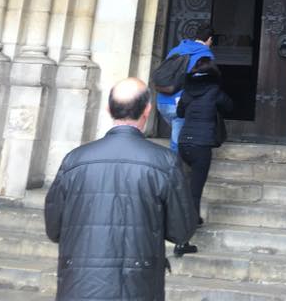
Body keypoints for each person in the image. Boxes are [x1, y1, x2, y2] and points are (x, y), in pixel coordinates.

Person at [44, 77, 197, 301]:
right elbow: (181, 231)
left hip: (79, 286)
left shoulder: (74, 160)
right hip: (137, 286)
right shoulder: (165, 162)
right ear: (147, 110)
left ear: (108, 109)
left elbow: (54, 228)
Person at [173, 56, 233, 256]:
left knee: (186, 187)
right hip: (201, 145)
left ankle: (194, 217)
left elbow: (180, 113)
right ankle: (183, 241)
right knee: (194, 192)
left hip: (184, 143)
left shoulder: (187, 90)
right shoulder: (214, 91)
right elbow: (229, 106)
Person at [157, 22, 215, 151]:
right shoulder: (206, 54)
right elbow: (202, 85)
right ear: (210, 39)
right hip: (181, 105)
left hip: (163, 101)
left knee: (179, 134)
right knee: (178, 143)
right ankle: (175, 163)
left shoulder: (176, 50)